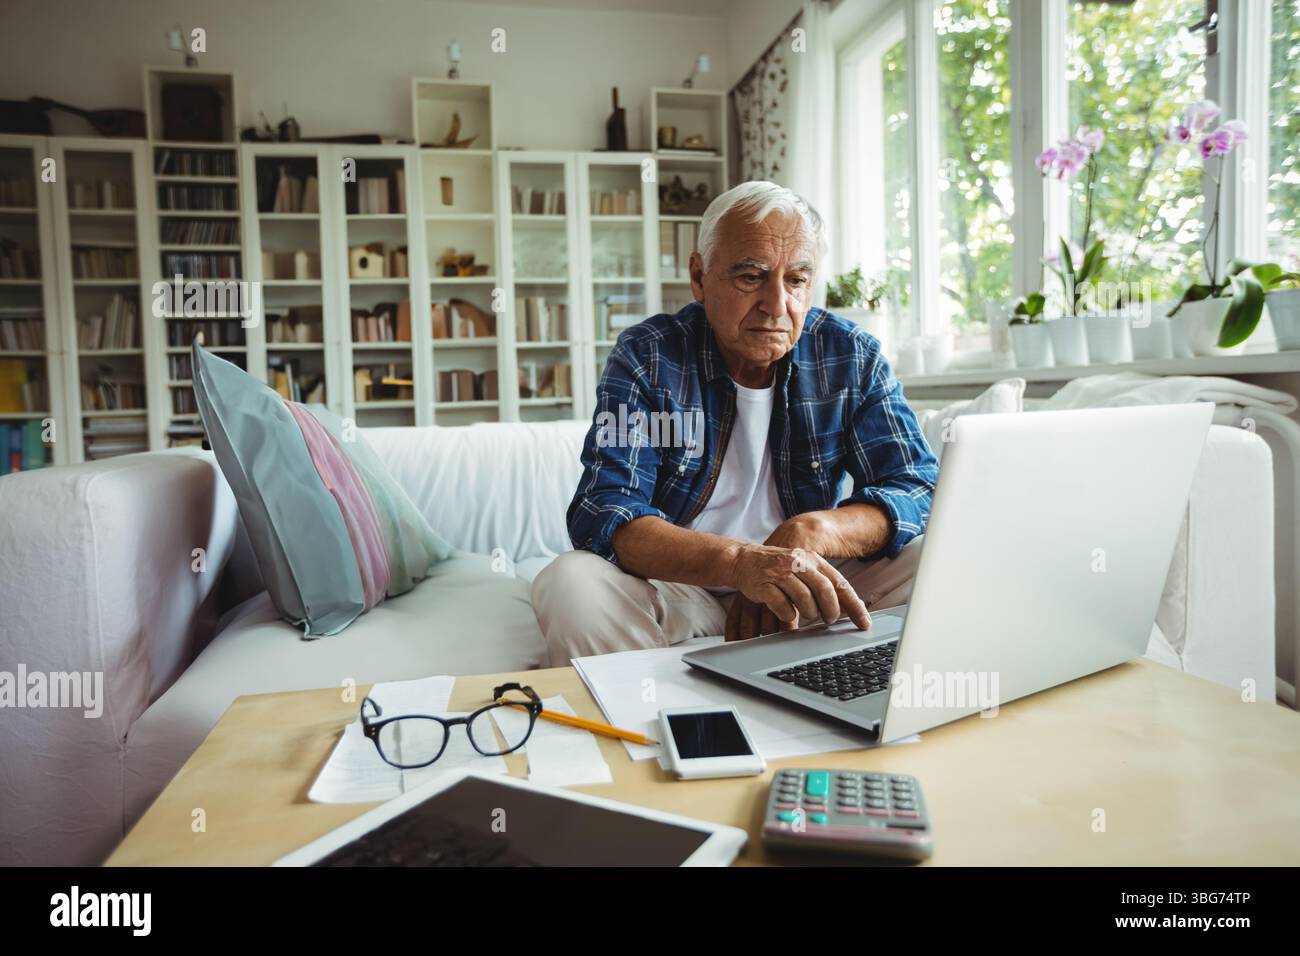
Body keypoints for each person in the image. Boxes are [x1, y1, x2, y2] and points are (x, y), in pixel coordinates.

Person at [531, 181, 938, 666]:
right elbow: (604, 509)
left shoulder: (849, 355)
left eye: (796, 280)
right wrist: (741, 563)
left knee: (939, 561)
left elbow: (915, 487)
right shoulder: (649, 356)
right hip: (684, 589)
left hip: (806, 581)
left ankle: (860, 697)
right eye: (751, 277)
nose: (776, 304)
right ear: (699, 278)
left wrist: (811, 532)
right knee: (571, 583)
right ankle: (642, 726)